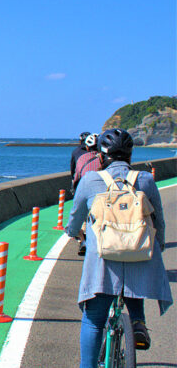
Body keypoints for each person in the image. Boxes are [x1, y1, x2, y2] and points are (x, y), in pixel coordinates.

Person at [65, 128, 173, 368]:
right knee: (135, 271)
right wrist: (160, 246)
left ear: (100, 157)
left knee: (93, 320)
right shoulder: (145, 180)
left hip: (103, 260)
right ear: (130, 156)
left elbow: (74, 220)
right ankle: (138, 323)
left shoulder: (91, 180)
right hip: (140, 254)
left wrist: (74, 233)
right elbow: (159, 221)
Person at [71, 133, 101, 256]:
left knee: (78, 215)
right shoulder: (103, 158)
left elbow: (75, 175)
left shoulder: (81, 157)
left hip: (84, 190)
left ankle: (82, 241)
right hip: (102, 195)